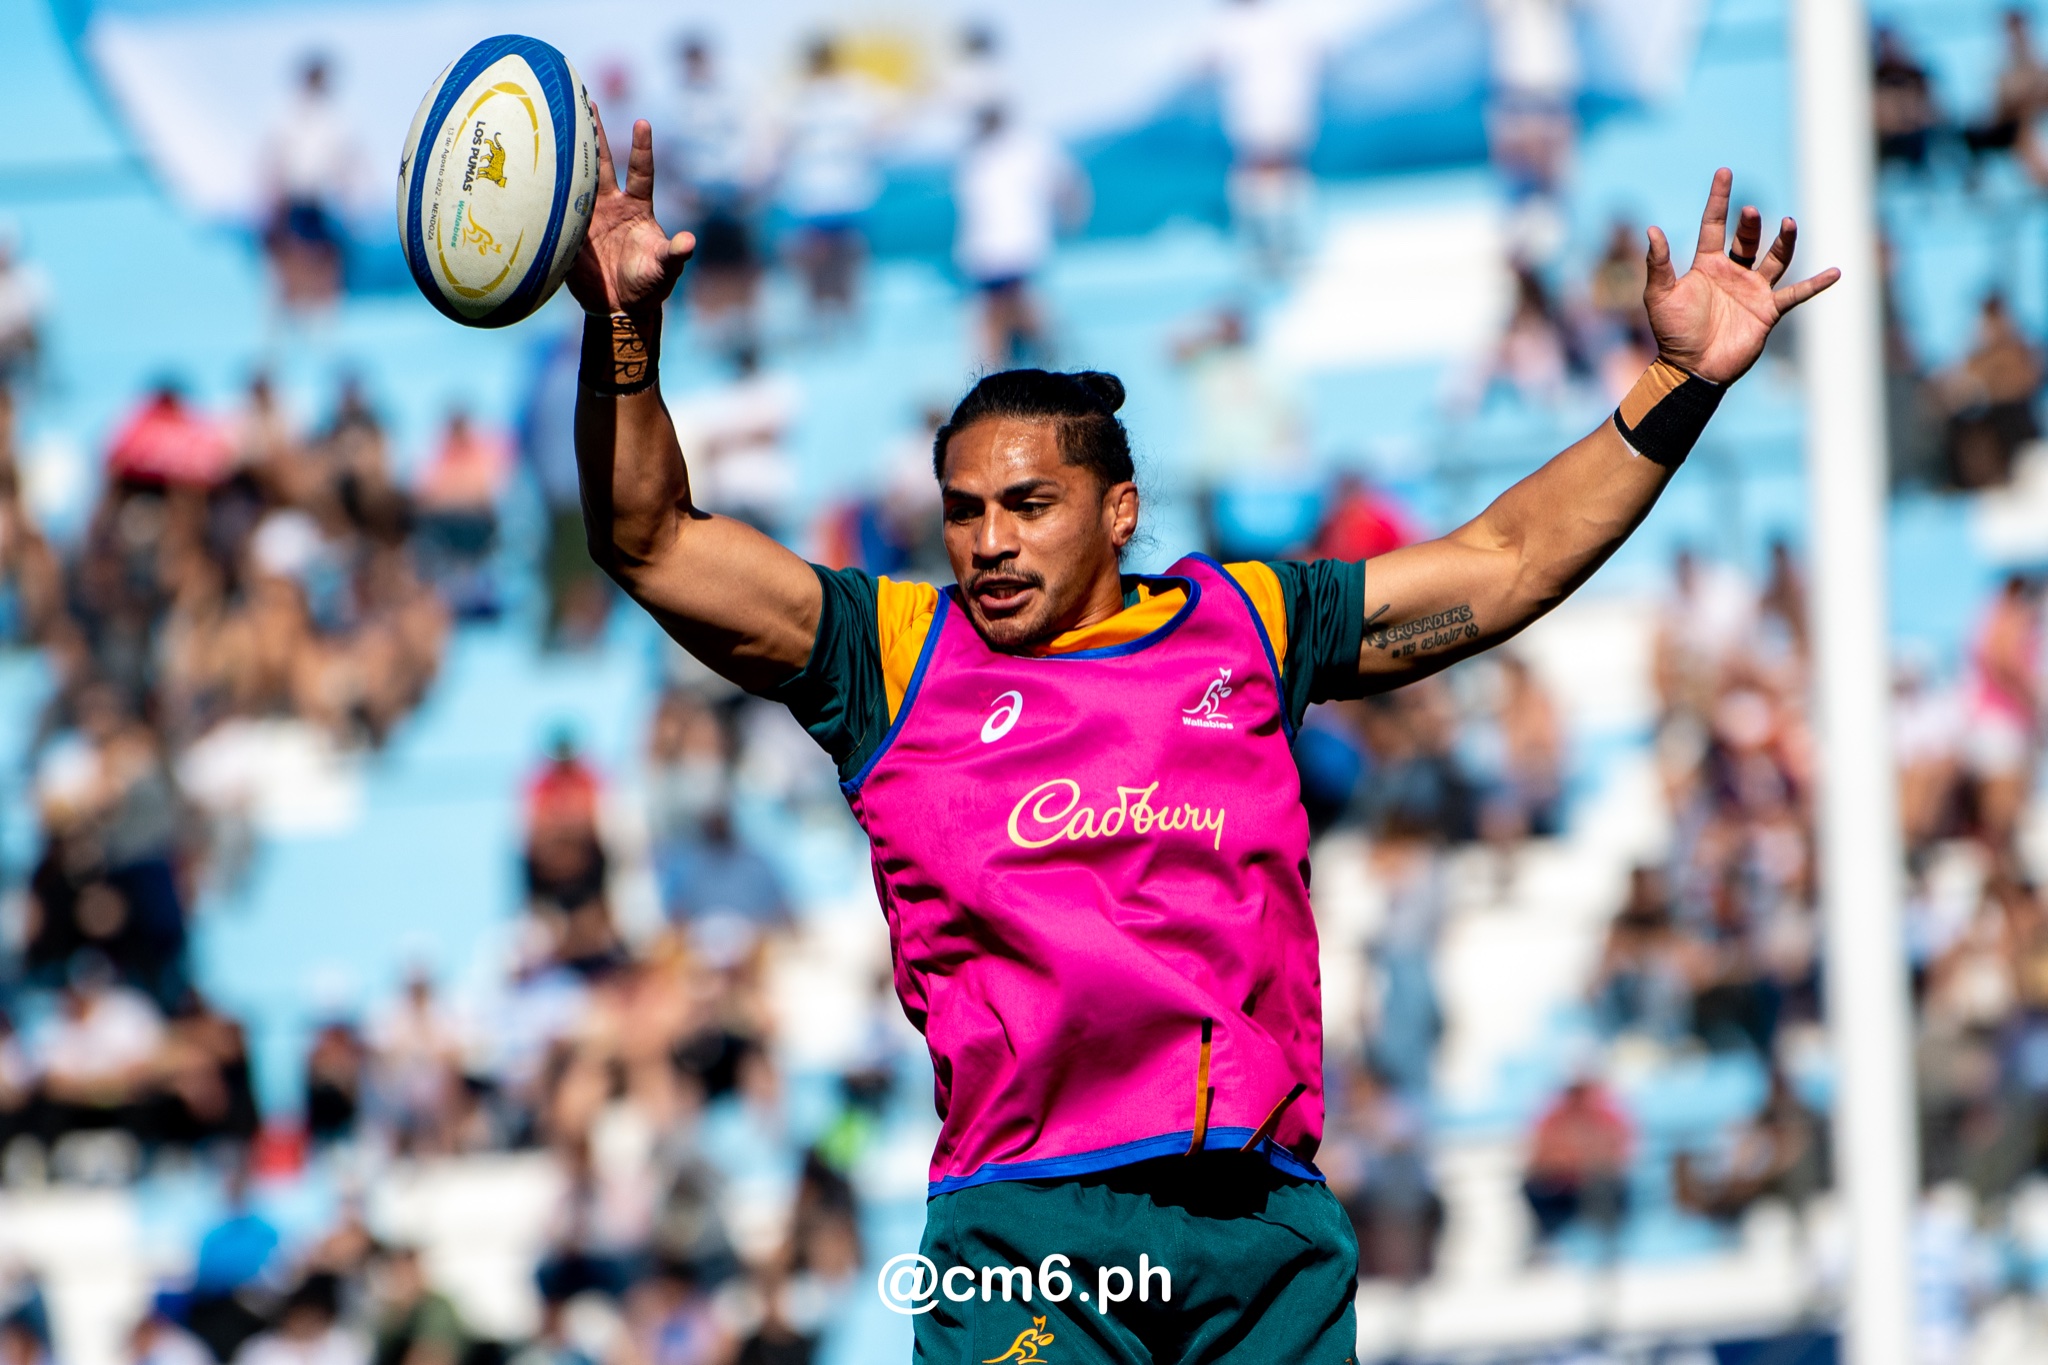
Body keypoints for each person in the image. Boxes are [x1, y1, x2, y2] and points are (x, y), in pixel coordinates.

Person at [565, 107, 1833, 1359]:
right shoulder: (890, 656)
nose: (988, 541)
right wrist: (622, 329)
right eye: (962, 511)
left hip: (1260, 1234)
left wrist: (1675, 387)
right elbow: (652, 540)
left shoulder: (1247, 624)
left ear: (1118, 511)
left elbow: (1503, 564)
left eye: (1027, 504)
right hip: (1030, 1232)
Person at [952, 105, 1084, 366]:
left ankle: (1041, 353)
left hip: (1018, 245)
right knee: (997, 312)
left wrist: (1071, 215)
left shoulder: (1029, 145)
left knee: (1006, 308)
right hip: (984, 251)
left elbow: (1066, 184)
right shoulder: (973, 150)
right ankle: (1009, 365)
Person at [1207, 0, 1326, 274]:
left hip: (1258, 110)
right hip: (1286, 107)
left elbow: (1206, 65)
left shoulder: (1229, 26)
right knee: (1282, 170)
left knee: (1262, 170)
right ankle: (1287, 244)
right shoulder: (1289, 20)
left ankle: (1270, 246)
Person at [262, 55, 358, 309]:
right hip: (293, 197)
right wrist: (273, 195)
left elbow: (340, 160)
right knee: (288, 257)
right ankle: (290, 306)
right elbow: (278, 156)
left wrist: (346, 198)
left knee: (324, 257)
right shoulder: (292, 115)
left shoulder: (330, 118)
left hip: (319, 198)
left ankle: (321, 308)